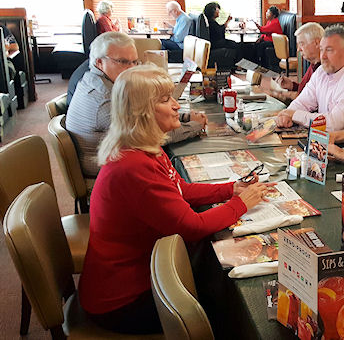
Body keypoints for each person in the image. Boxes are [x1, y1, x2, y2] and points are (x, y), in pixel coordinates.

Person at [78, 65, 274, 334]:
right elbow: (191, 226)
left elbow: (178, 188)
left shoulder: (142, 146)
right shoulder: (133, 166)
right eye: (164, 100)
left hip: (138, 277)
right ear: (142, 112)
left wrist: (231, 190)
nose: (175, 105)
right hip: (122, 301)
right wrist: (241, 205)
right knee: (225, 311)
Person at [66, 32, 208, 178]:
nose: (132, 68)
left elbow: (145, 114)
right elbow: (150, 133)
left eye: (135, 62)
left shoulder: (93, 78)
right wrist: (195, 125)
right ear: (99, 62)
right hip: (109, 172)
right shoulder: (106, 99)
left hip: (117, 159)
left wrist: (183, 117)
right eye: (123, 62)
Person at [275, 25, 344, 131]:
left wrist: (294, 115)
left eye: (329, 50)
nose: (322, 56)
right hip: (328, 141)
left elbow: (334, 124)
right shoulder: (321, 71)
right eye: (321, 49)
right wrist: (286, 115)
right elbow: (302, 102)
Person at [271, 22, 323, 101]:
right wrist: (292, 85)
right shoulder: (314, 64)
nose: (298, 49)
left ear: (317, 43)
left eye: (301, 44)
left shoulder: (325, 69)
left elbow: (312, 102)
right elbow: (306, 89)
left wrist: (284, 95)